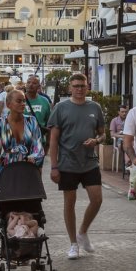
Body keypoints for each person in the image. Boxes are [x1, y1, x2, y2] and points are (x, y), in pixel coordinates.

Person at [47, 73, 107, 260]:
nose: (79, 89)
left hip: (89, 162)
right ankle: (73, 243)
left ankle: (83, 232)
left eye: (82, 85)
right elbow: (54, 139)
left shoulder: (95, 107)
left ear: (87, 87)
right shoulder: (61, 108)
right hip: (67, 163)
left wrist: (96, 140)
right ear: (70, 88)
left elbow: (103, 134)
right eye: (76, 86)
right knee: (69, 202)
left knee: (97, 199)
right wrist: (54, 166)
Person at [0, 88, 46, 180]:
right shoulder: (0, 123)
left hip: (28, 171)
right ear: (8, 104)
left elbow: (38, 146)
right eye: (19, 101)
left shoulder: (31, 121)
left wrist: (34, 157)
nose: (23, 104)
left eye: (24, 101)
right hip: (5, 172)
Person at [108, 104, 129, 169]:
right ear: (118, 112)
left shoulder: (129, 120)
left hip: (129, 139)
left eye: (125, 112)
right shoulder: (114, 120)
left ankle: (130, 164)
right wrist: (122, 136)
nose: (124, 113)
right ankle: (127, 163)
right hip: (119, 140)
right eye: (122, 112)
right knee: (126, 144)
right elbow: (112, 134)